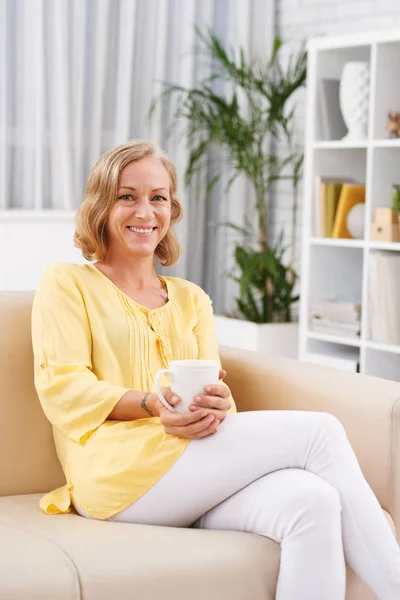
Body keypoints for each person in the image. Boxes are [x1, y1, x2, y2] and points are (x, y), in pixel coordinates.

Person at [32, 139, 400, 600]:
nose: (145, 211)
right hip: (114, 474)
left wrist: (220, 405)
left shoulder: (191, 298)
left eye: (158, 198)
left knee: (314, 502)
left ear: (172, 209)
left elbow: (215, 397)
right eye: (127, 196)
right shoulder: (68, 283)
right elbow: (62, 388)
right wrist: (150, 403)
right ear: (101, 205)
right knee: (321, 432)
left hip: (191, 470)